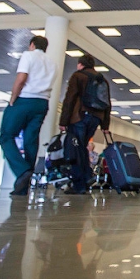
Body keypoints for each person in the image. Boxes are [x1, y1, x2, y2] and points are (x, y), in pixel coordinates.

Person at [0, 35, 58, 196]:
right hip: (42, 103)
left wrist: (13, 98)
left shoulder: (28, 55)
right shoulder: (53, 63)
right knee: (31, 140)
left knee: (6, 136)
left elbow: (21, 78)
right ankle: (22, 186)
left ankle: (22, 170)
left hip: (24, 100)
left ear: (32, 45)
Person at [60, 53, 112, 194]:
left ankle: (79, 184)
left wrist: (63, 120)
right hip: (95, 118)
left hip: (79, 117)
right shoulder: (102, 80)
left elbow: (69, 99)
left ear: (80, 64)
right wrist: (105, 125)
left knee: (76, 149)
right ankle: (86, 178)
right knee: (82, 148)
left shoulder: (78, 76)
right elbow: (108, 104)